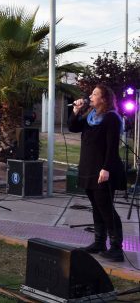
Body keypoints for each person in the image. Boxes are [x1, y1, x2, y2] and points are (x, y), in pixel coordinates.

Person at [69, 85, 126, 262]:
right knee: (96, 206)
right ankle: (99, 242)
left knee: (106, 207)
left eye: (95, 94)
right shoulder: (90, 116)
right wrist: (76, 111)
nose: (90, 96)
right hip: (88, 167)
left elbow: (112, 146)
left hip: (103, 169)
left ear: (104, 98)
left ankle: (116, 247)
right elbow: (73, 127)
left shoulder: (111, 118)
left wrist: (106, 168)